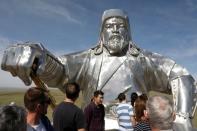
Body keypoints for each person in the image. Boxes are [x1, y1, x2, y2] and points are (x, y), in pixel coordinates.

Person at [1, 9, 197, 128]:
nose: (115, 30)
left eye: (120, 26)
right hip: (93, 125)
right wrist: (39, 58)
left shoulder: (143, 60)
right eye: (109, 26)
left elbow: (180, 75)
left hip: (135, 126)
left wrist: (182, 117)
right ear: (101, 34)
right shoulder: (88, 59)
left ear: (128, 32)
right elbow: (59, 72)